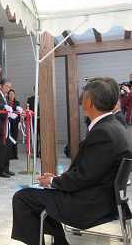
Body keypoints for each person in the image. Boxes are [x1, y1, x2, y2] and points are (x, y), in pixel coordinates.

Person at [11, 77, 132, 245]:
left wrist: (53, 181)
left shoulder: (102, 133)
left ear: (89, 101)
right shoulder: (117, 127)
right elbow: (91, 171)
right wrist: (56, 180)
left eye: (84, 96)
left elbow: (84, 177)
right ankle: (60, 241)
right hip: (105, 198)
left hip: (90, 204)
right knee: (41, 195)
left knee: (22, 198)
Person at [0, 78, 15, 178]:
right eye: (6, 86)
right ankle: (0, 170)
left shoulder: (5, 97)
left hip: (7, 126)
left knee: (7, 149)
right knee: (2, 149)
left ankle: (6, 168)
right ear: (0, 86)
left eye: (9, 87)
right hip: (0, 126)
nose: (8, 89)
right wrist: (6, 112)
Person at [7, 89, 21, 160]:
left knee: (15, 138)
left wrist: (19, 122)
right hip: (8, 122)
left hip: (15, 122)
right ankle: (10, 155)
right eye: (10, 94)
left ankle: (15, 154)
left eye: (13, 94)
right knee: (9, 138)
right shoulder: (6, 102)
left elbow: (19, 114)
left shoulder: (17, 103)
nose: (12, 95)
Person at [27, 86, 41, 157]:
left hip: (42, 121)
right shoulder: (30, 99)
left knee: (42, 138)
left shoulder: (44, 98)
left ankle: (42, 153)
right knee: (34, 138)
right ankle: (35, 153)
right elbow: (28, 110)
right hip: (34, 121)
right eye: (36, 89)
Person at [119, 72, 132, 139]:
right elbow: (126, 103)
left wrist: (128, 91)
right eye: (130, 77)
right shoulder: (130, 89)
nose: (131, 79)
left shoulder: (130, 91)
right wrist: (122, 94)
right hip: (129, 120)